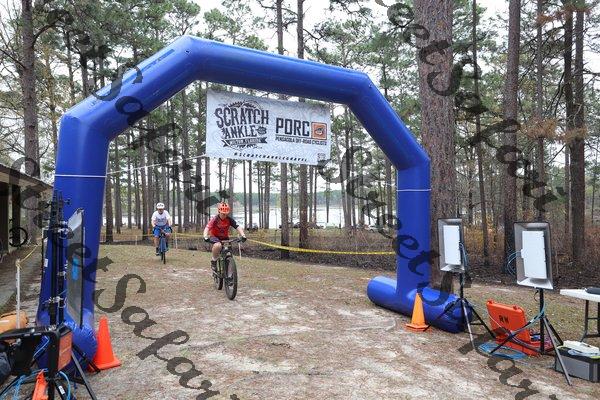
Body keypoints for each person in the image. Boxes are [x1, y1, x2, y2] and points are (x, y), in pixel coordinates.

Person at [203, 202, 246, 271]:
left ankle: (229, 267)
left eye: (226, 214)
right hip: (215, 237)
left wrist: (243, 235)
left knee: (229, 250)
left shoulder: (229, 219)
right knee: (218, 246)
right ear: (219, 211)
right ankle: (214, 261)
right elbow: (207, 228)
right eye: (223, 213)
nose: (224, 215)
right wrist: (205, 236)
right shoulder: (215, 219)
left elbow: (237, 226)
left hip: (225, 238)